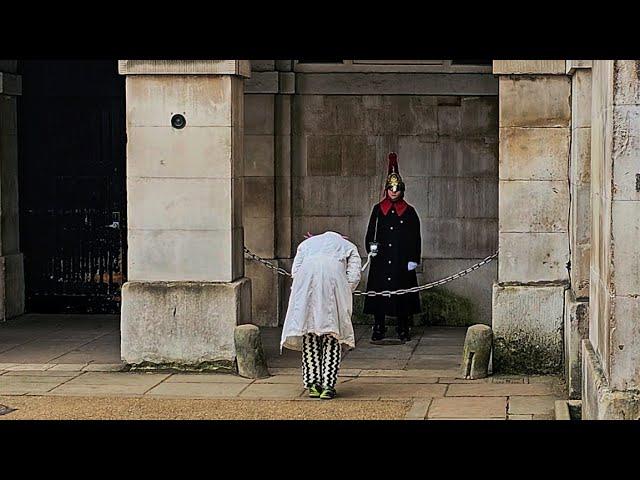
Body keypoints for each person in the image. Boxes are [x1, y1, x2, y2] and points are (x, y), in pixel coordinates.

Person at [280, 231, 362, 399]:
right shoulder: (348, 246)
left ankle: (312, 384)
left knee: (309, 334)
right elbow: (354, 276)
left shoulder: (305, 245)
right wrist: (345, 290)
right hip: (333, 289)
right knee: (332, 336)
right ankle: (328, 385)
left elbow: (295, 272)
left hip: (306, 288)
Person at [364, 152, 422, 343]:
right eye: (391, 188)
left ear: (402, 190)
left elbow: (415, 237)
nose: (394, 192)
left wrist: (414, 258)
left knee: (402, 295)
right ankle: (378, 326)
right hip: (381, 259)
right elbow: (371, 232)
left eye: (397, 188)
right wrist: (370, 248)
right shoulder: (378, 210)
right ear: (386, 190)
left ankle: (403, 327)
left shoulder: (410, 211)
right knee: (379, 294)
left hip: (401, 260)